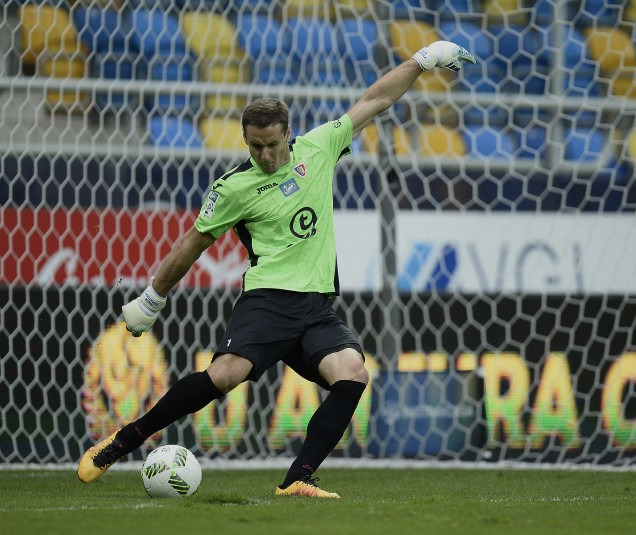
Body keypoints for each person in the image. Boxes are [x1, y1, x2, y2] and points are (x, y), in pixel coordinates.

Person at [77, 40, 475, 498]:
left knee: (353, 372)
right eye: (255, 147)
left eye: (271, 145)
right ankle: (122, 442)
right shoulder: (233, 188)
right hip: (268, 300)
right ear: (245, 140)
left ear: (289, 134)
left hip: (317, 307)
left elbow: (376, 99)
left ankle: (297, 479)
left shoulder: (319, 147)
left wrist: (422, 60)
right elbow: (192, 243)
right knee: (224, 376)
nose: (265, 156)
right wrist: (153, 298)